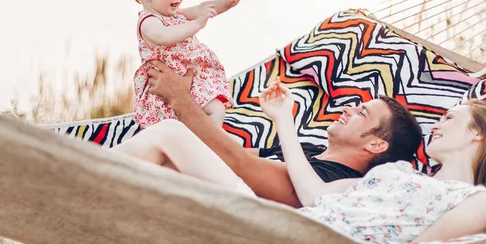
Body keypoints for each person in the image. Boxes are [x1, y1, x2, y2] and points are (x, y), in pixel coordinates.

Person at [112, 61, 423, 208]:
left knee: (170, 133)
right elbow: (237, 153)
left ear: (375, 143)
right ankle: (83, 185)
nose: (348, 110)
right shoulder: (309, 149)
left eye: (362, 113)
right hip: (214, 199)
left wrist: (182, 101)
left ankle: (75, 176)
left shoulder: (334, 177)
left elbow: (240, 165)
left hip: (247, 216)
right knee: (164, 159)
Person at [258, 79, 486, 243]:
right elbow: (315, 195)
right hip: (284, 227)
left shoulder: (477, 200)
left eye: (449, 118)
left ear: (478, 132)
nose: (435, 126)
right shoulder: (396, 172)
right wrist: (283, 118)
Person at [127, 0, 249, 128]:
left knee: (216, 109)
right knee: (202, 115)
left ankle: (210, 142)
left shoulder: (176, 13)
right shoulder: (149, 22)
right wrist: (198, 23)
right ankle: (211, 143)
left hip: (191, 79)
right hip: (165, 88)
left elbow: (201, 8)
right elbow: (165, 36)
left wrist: (225, 3)